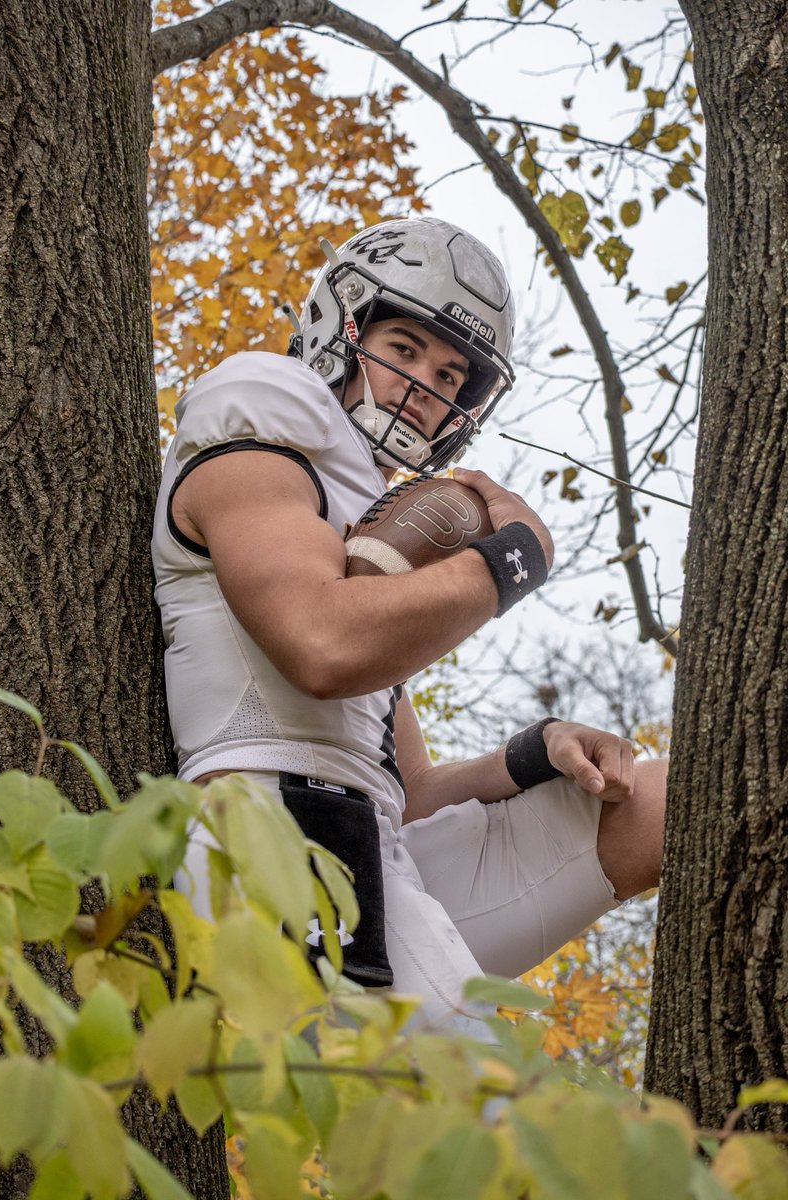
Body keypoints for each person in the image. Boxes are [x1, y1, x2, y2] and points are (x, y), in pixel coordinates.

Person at [152, 217, 665, 1033]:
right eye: (404, 348)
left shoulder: (363, 541)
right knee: (489, 1127)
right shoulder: (264, 427)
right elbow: (324, 645)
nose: (425, 386)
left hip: (375, 833)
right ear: (341, 323)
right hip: (272, 827)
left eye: (450, 373)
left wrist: (540, 750)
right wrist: (511, 561)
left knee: (659, 799)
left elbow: (413, 791)